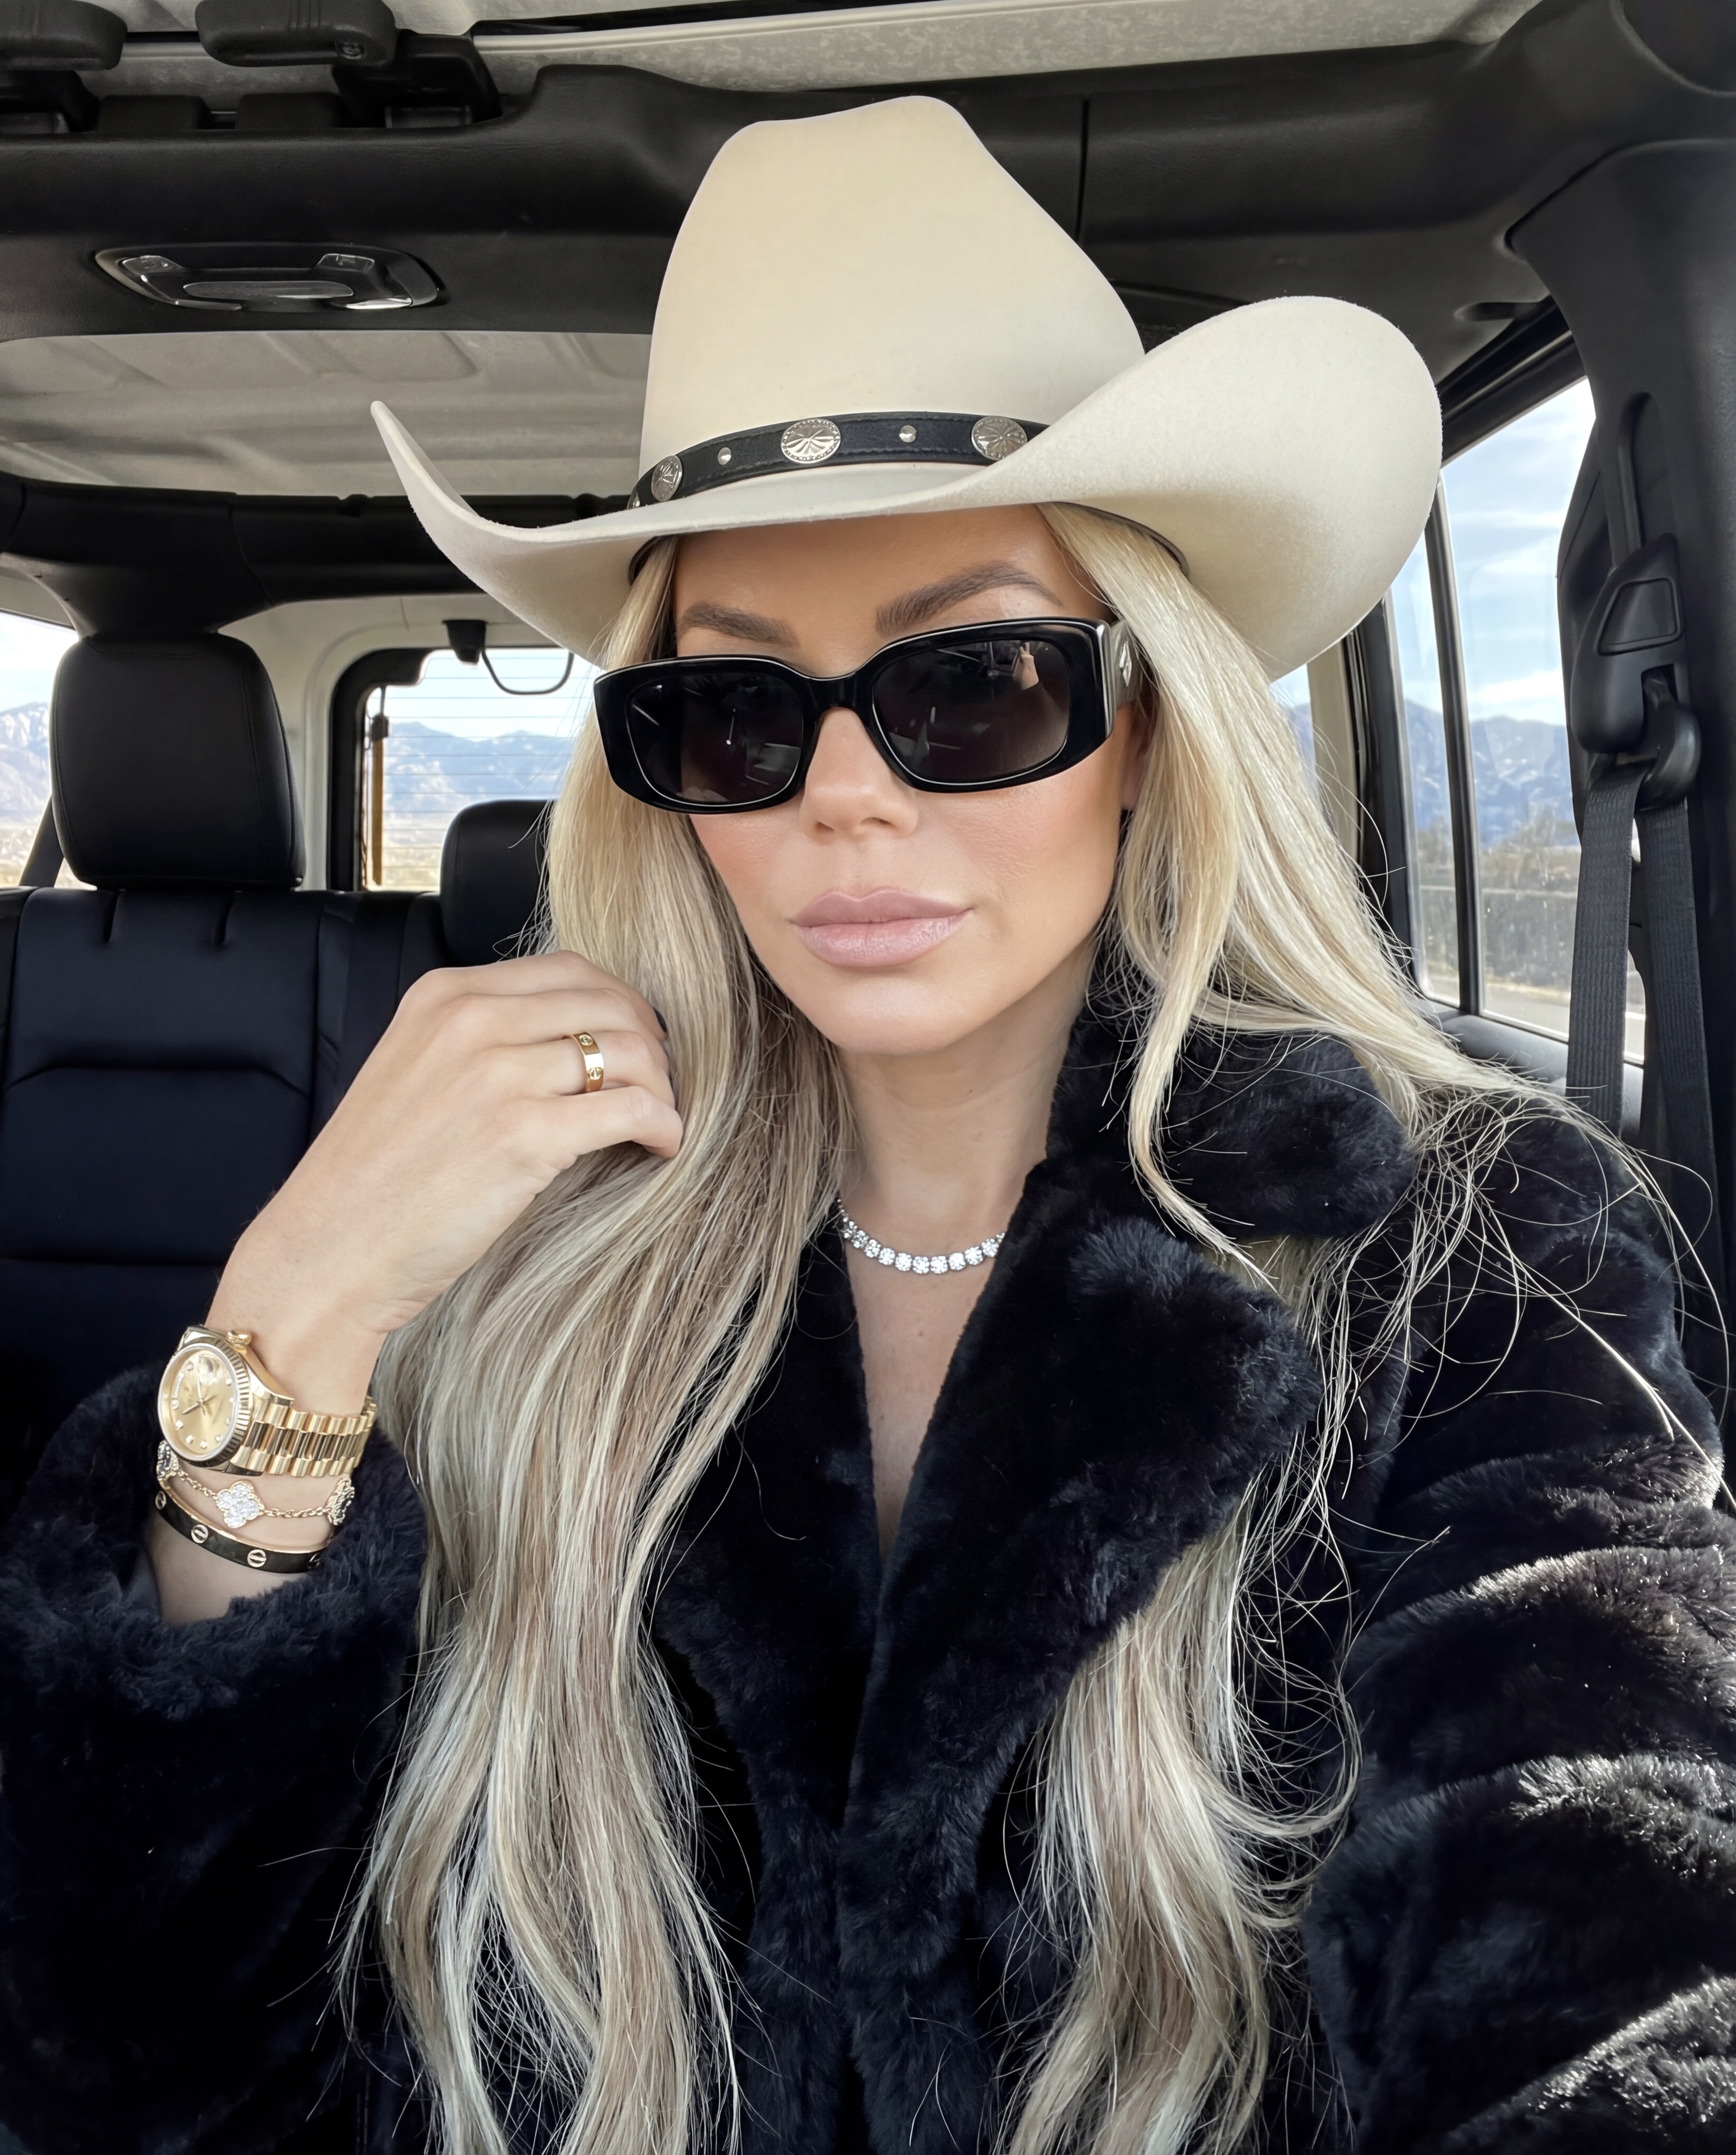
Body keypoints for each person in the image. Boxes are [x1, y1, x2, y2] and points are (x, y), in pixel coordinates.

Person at [3, 94, 1734, 2155]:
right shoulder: (519, 1257)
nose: (843, 797)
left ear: (1147, 721)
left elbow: (1600, 1919)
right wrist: (290, 1320)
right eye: (734, 711)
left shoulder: (1472, 1249)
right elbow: (155, 2060)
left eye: (974, 684)